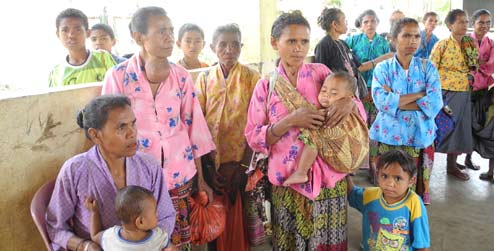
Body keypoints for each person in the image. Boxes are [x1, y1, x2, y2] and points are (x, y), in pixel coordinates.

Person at [102, 7, 216, 250]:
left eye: (171, 30)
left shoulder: (181, 77)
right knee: (143, 241)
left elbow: (193, 129)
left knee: (179, 241)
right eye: (161, 31)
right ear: (138, 37)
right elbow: (108, 132)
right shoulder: (119, 77)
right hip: (137, 181)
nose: (169, 37)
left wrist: (202, 180)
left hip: (179, 176)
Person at [245, 10, 355, 250]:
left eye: (304, 41)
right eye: (291, 41)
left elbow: (352, 107)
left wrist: (349, 102)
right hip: (287, 181)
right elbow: (254, 137)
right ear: (275, 43)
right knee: (289, 241)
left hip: (328, 179)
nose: (299, 48)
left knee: (327, 240)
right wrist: (291, 120)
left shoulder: (321, 73)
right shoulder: (266, 86)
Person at [46, 95, 176, 251]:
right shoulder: (75, 170)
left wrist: (148, 245)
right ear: (95, 135)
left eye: (133, 124)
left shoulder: (149, 166)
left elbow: (166, 216)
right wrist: (85, 246)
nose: (132, 133)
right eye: (121, 127)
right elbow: (55, 226)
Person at [195, 23, 260, 250]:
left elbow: (258, 125)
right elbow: (198, 125)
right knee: (214, 218)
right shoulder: (203, 79)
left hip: (241, 164)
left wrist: (244, 166)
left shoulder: (253, 78)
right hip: (214, 166)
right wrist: (207, 170)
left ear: (241, 47)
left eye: (234, 45)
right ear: (213, 47)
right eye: (223, 45)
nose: (229, 50)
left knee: (241, 218)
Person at [371, 18, 443, 205]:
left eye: (416, 36)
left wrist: (395, 99)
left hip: (419, 135)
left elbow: (435, 102)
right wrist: (420, 95)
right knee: (390, 184)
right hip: (389, 135)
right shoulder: (382, 68)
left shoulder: (428, 67)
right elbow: (381, 103)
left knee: (413, 191)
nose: (413, 41)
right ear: (394, 38)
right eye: (407, 36)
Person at [282, 71, 368, 186]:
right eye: (323, 90)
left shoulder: (334, 112)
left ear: (348, 98)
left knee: (312, 135)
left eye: (334, 93)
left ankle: (301, 172)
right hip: (351, 161)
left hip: (352, 153)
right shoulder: (351, 108)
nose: (326, 95)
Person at [348, 150, 430, 251]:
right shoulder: (369, 196)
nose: (389, 183)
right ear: (377, 175)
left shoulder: (414, 203)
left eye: (398, 178)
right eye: (384, 176)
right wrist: (345, 173)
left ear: (411, 181)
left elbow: (421, 244)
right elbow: (351, 193)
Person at [345, 9, 393, 183]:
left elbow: (388, 68)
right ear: (361, 24)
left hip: (378, 93)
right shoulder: (352, 41)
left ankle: (373, 164)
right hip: (358, 92)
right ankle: (352, 163)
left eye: (373, 21)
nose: (370, 24)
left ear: (378, 23)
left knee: (375, 130)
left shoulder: (383, 43)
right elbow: (348, 64)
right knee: (357, 128)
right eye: (366, 22)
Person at [431, 9, 479, 181]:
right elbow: (432, 69)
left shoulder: (470, 44)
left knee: (460, 129)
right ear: (450, 25)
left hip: (464, 92)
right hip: (446, 93)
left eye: (466, 21)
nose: (465, 25)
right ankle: (427, 164)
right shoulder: (442, 44)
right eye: (460, 21)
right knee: (443, 127)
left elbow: (475, 67)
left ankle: (452, 165)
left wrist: (471, 76)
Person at [85, 186, 176, 250]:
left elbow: (94, 235)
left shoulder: (110, 237)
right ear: (140, 222)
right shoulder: (158, 237)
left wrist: (94, 212)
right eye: (155, 212)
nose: (157, 214)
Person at [49, 8, 116, 87]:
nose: (71, 35)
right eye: (65, 30)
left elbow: (118, 86)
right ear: (58, 35)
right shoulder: (57, 72)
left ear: (88, 33)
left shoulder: (103, 58)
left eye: (77, 29)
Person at [464, 9, 494, 174]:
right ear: (473, 24)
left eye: (488, 22)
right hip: (466, 90)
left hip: (482, 91)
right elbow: (464, 64)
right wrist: (477, 63)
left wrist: (476, 65)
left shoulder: (491, 42)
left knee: (481, 124)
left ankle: (474, 160)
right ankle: (466, 158)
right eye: (481, 22)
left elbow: (491, 66)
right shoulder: (466, 41)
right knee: (467, 126)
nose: (485, 25)